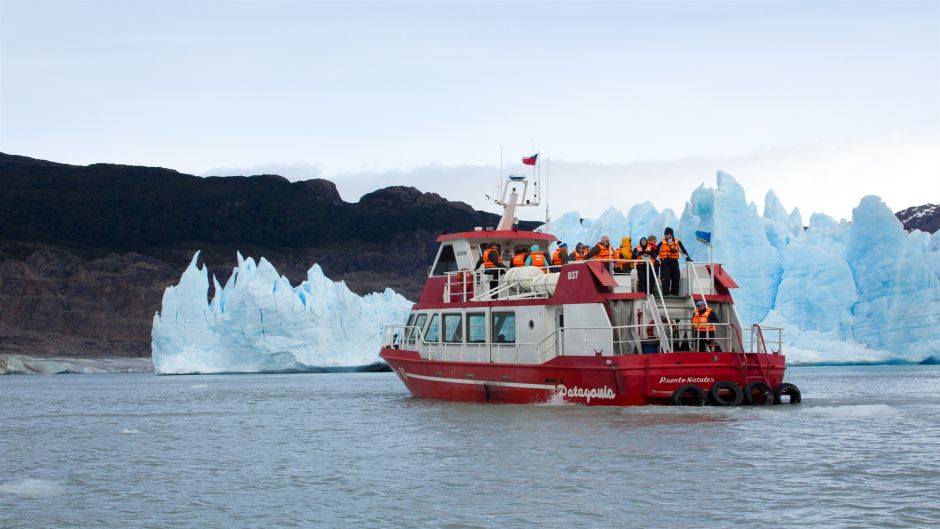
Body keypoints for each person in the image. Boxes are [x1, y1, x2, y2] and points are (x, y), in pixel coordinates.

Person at [657, 227, 691, 296]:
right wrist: (656, 260)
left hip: (674, 262)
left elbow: (683, 251)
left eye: (667, 234)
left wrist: (687, 258)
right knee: (665, 278)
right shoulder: (661, 243)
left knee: (676, 278)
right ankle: (666, 294)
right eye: (665, 234)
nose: (666, 235)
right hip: (665, 262)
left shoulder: (677, 242)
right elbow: (656, 253)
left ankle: (675, 294)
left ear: (671, 234)